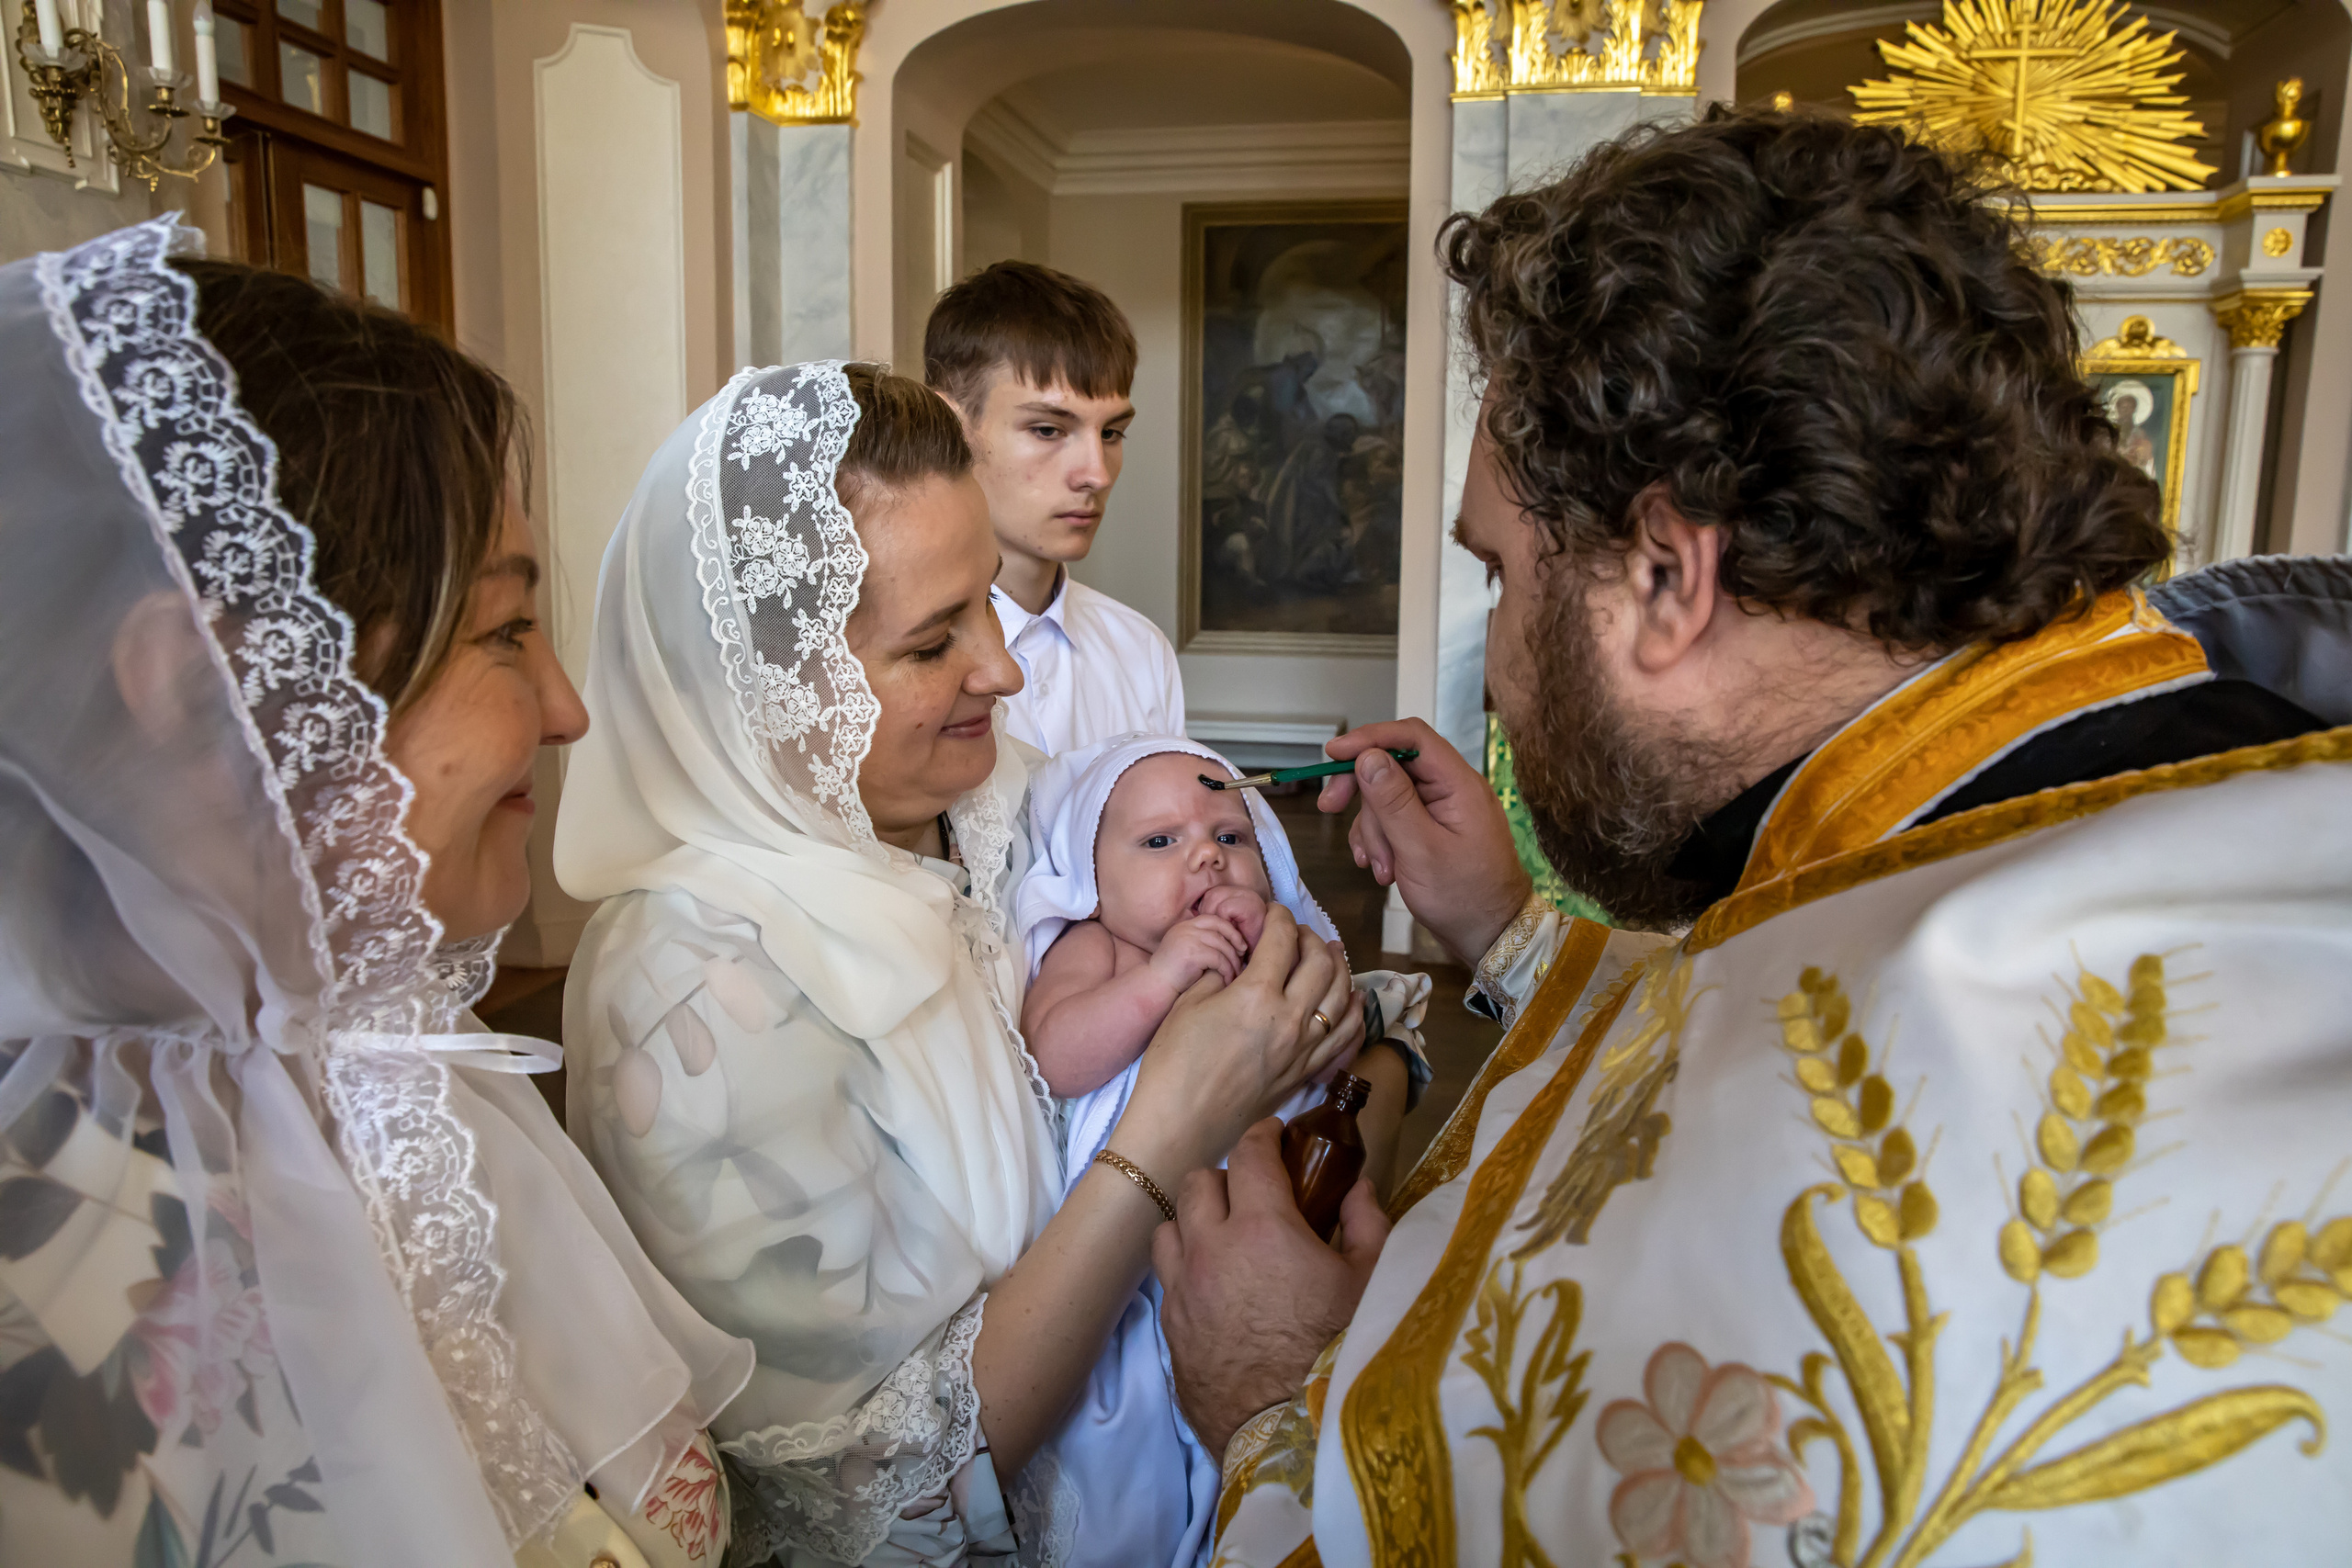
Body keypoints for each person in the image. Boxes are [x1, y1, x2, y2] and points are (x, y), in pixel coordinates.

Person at [1149, 110, 2352, 1567]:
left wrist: (1280, 1403)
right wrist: (1513, 930)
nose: (1501, 671)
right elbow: (1771, 984)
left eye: (1504, 575)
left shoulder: (1844, 1238)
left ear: (1668, 576)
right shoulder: (2201, 790)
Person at [0, 220, 752, 1568]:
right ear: (200, 680)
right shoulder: (45, 1274)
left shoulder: (390, 1074)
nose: (568, 709)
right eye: (504, 631)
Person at [553, 361, 1363, 1565]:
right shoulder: (688, 997)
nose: (1005, 668)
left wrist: (1340, 1056)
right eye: (935, 640)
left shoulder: (1003, 795)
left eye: (986, 599)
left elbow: (1309, 980)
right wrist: (1171, 1126)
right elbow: (881, 1498)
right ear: (770, 689)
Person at [1009, 733, 1429, 1568]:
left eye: (1231, 836)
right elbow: (1054, 1052)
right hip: (1133, 1257)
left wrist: (1290, 962)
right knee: (1128, 1437)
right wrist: (1158, 979)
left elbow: (1331, 1042)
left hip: (1274, 1221)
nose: (1205, 854)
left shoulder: (1273, 940)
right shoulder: (1100, 947)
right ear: (1093, 875)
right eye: (1159, 841)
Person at [925, 261, 1184, 756]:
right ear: (951, 426)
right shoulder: (889, 661)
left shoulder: (1141, 650)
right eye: (1047, 429)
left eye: (1111, 433)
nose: (1097, 474)